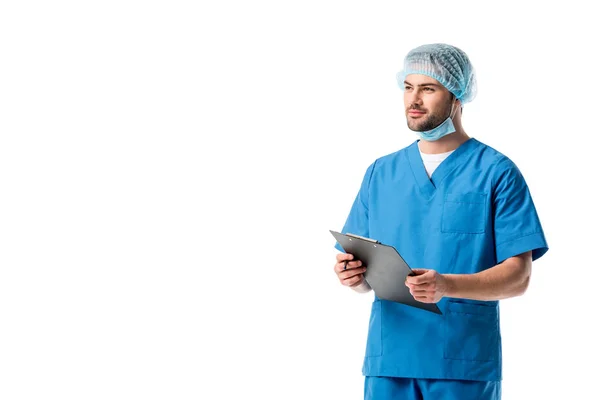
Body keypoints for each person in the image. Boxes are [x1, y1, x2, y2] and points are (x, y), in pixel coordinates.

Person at [332, 43, 548, 400]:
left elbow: (519, 278)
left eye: (428, 88)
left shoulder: (496, 172)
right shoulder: (381, 172)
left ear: (457, 96)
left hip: (460, 363)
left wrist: (447, 285)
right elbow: (363, 275)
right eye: (408, 87)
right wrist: (352, 277)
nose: (413, 99)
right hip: (390, 361)